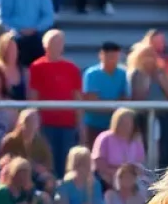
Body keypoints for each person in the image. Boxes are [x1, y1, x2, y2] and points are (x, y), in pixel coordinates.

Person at [28, 29, 82, 171]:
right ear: (45, 45)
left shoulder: (72, 68)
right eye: (53, 43)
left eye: (59, 43)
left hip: (68, 125)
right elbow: (33, 97)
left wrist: (80, 126)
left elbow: (77, 98)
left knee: (66, 163)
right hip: (45, 124)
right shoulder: (36, 67)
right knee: (48, 161)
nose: (56, 46)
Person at [81, 41, 129, 147]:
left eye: (115, 56)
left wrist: (109, 106)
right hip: (94, 125)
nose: (112, 59)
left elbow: (125, 98)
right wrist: (114, 106)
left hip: (116, 126)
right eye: (109, 56)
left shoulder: (122, 74)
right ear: (101, 55)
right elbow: (92, 102)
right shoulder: (91, 74)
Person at [92, 108, 145, 189]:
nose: (125, 125)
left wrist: (129, 177)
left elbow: (139, 166)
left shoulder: (136, 141)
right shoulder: (105, 138)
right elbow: (99, 165)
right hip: (107, 178)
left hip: (131, 179)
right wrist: (118, 175)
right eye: (122, 122)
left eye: (128, 122)